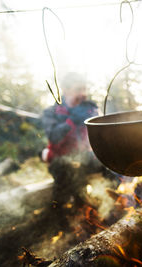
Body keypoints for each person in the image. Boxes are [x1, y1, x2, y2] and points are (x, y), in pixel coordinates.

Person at [41, 72, 102, 212]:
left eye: (85, 89)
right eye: (78, 90)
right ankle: (61, 214)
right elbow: (54, 137)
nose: (83, 94)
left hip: (85, 157)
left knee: (109, 166)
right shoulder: (51, 112)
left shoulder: (89, 108)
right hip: (61, 160)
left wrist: (97, 119)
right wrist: (71, 121)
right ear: (65, 90)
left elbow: (100, 138)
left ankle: (114, 202)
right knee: (69, 169)